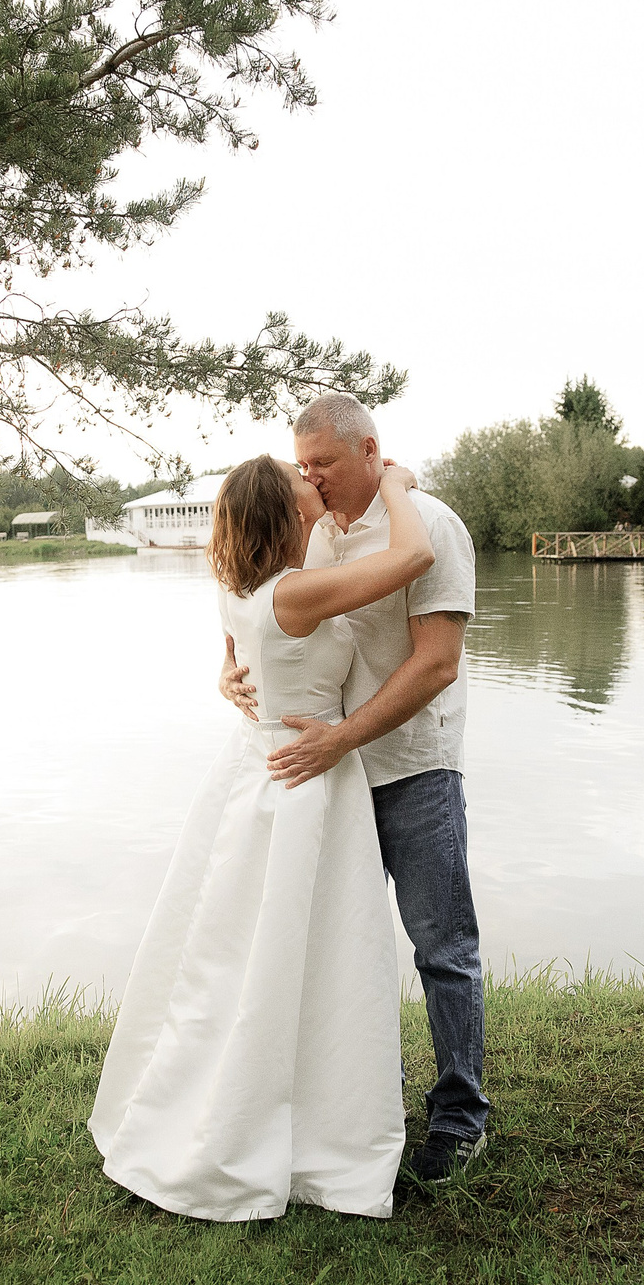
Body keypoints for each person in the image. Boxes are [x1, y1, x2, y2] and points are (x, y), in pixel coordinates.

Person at [88, 454, 438, 1221]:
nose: (307, 471)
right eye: (295, 474)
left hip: (258, 771)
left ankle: (279, 1107)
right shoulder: (295, 592)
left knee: (244, 957)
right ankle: (291, 1130)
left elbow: (232, 656)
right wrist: (395, 486)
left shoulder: (235, 584)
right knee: (312, 953)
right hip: (307, 777)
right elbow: (414, 556)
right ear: (285, 511)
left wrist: (229, 675)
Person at [221, 394, 487, 1185]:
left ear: (371, 451)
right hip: (325, 787)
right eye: (302, 466)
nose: (311, 478)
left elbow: (436, 662)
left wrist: (341, 736)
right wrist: (231, 674)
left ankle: (459, 1116)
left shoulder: (429, 527)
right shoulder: (311, 532)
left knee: (443, 949)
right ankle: (340, 1109)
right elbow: (254, 615)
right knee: (332, 953)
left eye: (323, 465)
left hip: (410, 767)